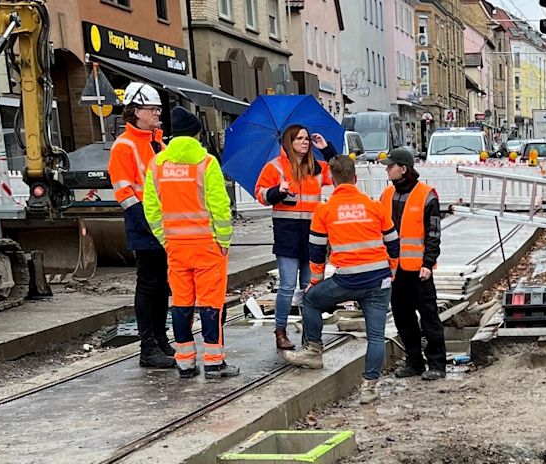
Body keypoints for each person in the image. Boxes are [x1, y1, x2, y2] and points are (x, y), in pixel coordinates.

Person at [281, 155, 399, 405]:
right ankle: (369, 387)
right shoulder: (374, 205)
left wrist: (316, 279)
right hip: (379, 280)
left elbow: (316, 250)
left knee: (311, 301)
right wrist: (392, 270)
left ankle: (313, 351)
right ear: (355, 179)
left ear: (332, 181)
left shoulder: (324, 210)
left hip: (346, 280)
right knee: (376, 336)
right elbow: (392, 241)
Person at [142, 107, 237, 379]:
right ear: (197, 134)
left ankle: (184, 363)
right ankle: (214, 363)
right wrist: (224, 241)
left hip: (176, 247)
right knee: (211, 304)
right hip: (207, 245)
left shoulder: (158, 164)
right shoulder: (206, 163)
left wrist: (164, 238)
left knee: (182, 303)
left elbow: (151, 208)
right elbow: (220, 207)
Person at [108, 82, 173, 368]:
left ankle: (160, 339)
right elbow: (124, 191)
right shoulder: (125, 145)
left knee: (162, 285)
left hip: (164, 224)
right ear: (135, 111)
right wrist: (148, 224)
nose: (158, 113)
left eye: (158, 108)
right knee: (149, 284)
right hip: (145, 226)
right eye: (152, 109)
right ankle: (148, 346)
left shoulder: (158, 143)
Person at [254, 124, 335, 350]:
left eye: (307, 138)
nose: (305, 141)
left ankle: (309, 334)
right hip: (287, 234)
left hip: (313, 234)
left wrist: (327, 149)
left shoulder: (317, 168)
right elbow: (260, 194)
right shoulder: (275, 167)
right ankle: (281, 332)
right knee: (288, 285)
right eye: (299, 138)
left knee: (309, 286)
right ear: (289, 142)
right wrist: (276, 192)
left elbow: (343, 174)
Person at [379, 147, 446, 380]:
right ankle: (414, 362)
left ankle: (437, 364)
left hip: (419, 271)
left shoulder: (426, 195)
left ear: (403, 168)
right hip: (395, 272)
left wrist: (428, 263)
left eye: (391, 165)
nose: (387, 169)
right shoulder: (386, 195)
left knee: (429, 318)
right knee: (403, 318)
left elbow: (433, 233)